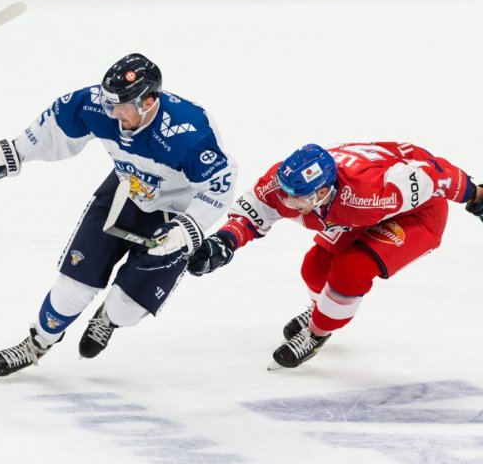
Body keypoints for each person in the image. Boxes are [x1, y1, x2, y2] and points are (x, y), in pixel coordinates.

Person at [0, 53, 237, 377]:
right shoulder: (101, 105)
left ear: (148, 101)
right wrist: (12, 153)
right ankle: (37, 343)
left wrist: (186, 230)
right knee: (72, 288)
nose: (112, 112)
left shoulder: (189, 132)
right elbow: (57, 124)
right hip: (127, 190)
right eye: (109, 102)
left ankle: (108, 318)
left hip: (175, 215)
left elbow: (220, 184)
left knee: (127, 307)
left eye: (120, 105)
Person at [187, 142, 483, 369]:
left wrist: (476, 195)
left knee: (351, 269)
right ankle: (324, 311)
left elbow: (435, 175)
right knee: (314, 269)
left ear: (325, 191)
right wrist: (223, 243)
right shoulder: (284, 184)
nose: (288, 202)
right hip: (356, 215)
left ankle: (317, 333)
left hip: (419, 214)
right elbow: (251, 216)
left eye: (298, 197)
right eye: (287, 193)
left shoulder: (372, 192)